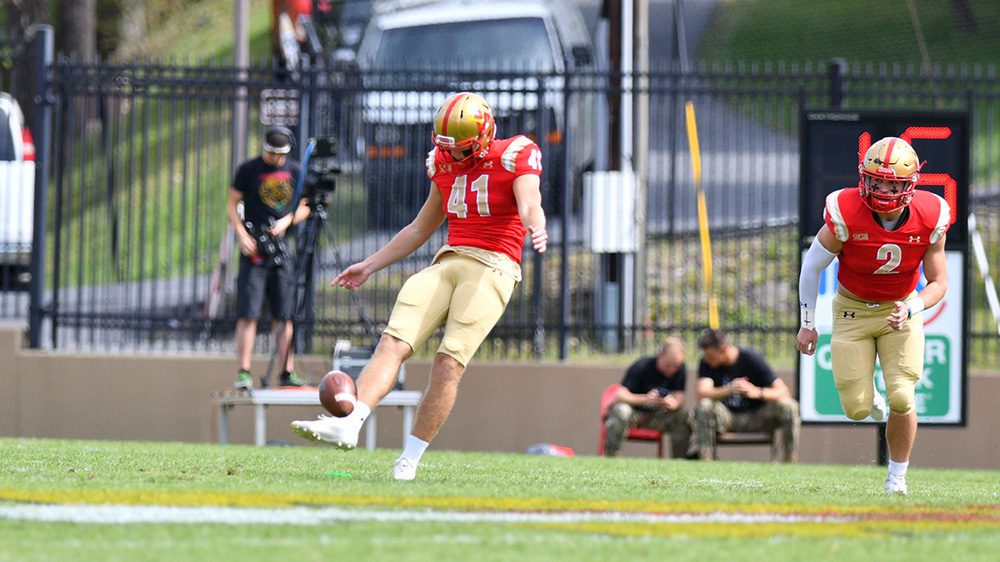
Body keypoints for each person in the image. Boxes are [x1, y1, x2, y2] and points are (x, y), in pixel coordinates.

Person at [290, 92, 548, 481]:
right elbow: (420, 227)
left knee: (448, 363)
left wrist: (536, 224)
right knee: (393, 341)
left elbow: (530, 201)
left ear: (483, 136)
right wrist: (370, 265)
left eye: (461, 149)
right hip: (449, 259)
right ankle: (350, 423)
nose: (453, 156)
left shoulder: (516, 153)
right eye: (448, 149)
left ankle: (409, 459)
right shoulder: (443, 161)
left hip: (493, 266)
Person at [797, 136, 950, 494]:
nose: (882, 189)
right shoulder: (845, 210)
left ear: (909, 184)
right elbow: (811, 267)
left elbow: (939, 282)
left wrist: (911, 307)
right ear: (863, 177)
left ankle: (897, 476)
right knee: (856, 408)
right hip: (852, 310)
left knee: (903, 396)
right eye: (876, 179)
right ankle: (875, 405)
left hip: (901, 309)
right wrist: (807, 325)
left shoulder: (931, 215)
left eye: (892, 183)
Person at [227, 126, 311, 390]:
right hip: (253, 251)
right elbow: (231, 204)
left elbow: (306, 207)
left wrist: (286, 221)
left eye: (280, 154)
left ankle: (287, 371)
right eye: (271, 153)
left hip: (281, 250)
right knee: (248, 312)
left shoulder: (296, 171)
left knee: (283, 314)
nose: (275, 158)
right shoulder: (248, 170)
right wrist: (241, 235)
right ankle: (244, 371)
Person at [694, 328, 800, 463]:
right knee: (705, 405)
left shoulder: (751, 358)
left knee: (789, 406)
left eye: (710, 356)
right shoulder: (706, 363)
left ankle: (789, 462)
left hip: (758, 416)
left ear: (724, 350)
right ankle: (706, 461)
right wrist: (729, 389)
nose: (707, 359)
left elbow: (783, 391)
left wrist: (756, 392)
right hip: (728, 418)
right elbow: (702, 393)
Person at [603, 337, 692, 459]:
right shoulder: (642, 366)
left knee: (683, 415)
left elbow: (680, 398)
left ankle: (679, 459)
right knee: (621, 410)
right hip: (635, 414)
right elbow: (619, 395)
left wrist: (671, 403)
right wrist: (646, 399)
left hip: (659, 416)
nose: (672, 370)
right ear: (660, 356)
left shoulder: (680, 369)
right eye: (668, 365)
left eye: (676, 366)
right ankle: (611, 456)